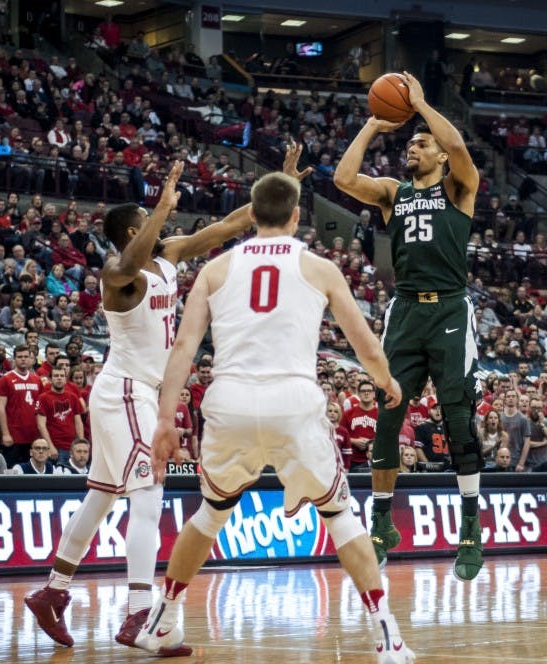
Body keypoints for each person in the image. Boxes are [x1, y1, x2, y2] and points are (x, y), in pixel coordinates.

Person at [26, 144, 308, 651]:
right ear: (136, 231)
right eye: (152, 218)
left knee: (100, 497)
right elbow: (130, 260)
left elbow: (227, 227)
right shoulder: (118, 276)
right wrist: (159, 209)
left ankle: (53, 591)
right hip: (126, 391)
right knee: (148, 496)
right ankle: (138, 614)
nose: (167, 219)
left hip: (135, 393)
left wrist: (281, 185)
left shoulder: (170, 253)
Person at [141, 170, 413, 663]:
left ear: (250, 214)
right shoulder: (320, 267)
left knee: (210, 513)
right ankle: (386, 634)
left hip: (229, 401)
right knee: (338, 515)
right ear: (295, 215)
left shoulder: (216, 269)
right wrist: (387, 383)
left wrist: (165, 418)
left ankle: (163, 615)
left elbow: (183, 348)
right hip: (293, 401)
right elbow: (366, 346)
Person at [334, 71, 483, 579]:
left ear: (439, 154)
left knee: (457, 415)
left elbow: (458, 142)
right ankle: (381, 524)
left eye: (422, 143)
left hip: (448, 307)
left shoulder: (459, 187)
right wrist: (373, 128)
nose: (413, 149)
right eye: (412, 143)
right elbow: (342, 179)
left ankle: (469, 528)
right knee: (388, 412)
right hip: (405, 309)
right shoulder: (393, 193)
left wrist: (419, 105)